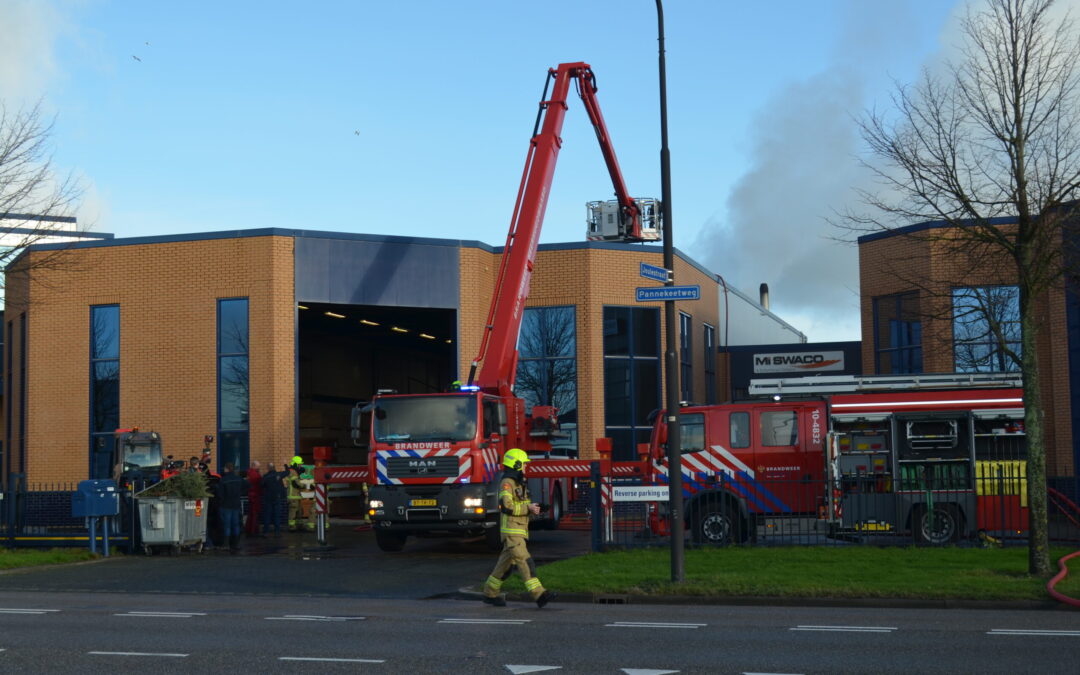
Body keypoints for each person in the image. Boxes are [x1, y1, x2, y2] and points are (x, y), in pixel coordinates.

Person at [481, 448, 553, 608]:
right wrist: (528, 508)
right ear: (517, 464)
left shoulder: (518, 483)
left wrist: (537, 508)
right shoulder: (507, 483)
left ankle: (489, 593)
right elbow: (506, 507)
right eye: (524, 464)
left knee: (504, 567)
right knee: (525, 561)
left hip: (517, 531)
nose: (526, 467)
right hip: (512, 531)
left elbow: (521, 505)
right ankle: (539, 594)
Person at [217, 462, 248, 553]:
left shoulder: (223, 480)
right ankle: (236, 544)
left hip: (226, 505)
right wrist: (240, 493)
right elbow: (248, 485)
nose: (223, 470)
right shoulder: (239, 479)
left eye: (224, 468)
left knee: (227, 525)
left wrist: (221, 502)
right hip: (236, 504)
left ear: (227, 469)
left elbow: (220, 494)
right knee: (236, 524)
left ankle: (226, 544)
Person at [260, 462, 286, 535]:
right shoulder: (279, 474)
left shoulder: (266, 476)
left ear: (268, 468)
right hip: (277, 497)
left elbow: (261, 485)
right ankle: (277, 532)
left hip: (268, 498)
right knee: (277, 515)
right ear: (274, 467)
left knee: (267, 515)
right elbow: (287, 472)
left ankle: (266, 532)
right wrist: (286, 465)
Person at [285, 456, 306, 532]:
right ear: (296, 464)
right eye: (299, 464)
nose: (300, 466)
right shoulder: (292, 472)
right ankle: (292, 526)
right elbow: (297, 484)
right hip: (292, 496)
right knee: (293, 511)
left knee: (300, 511)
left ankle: (299, 525)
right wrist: (305, 484)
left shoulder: (295, 471)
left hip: (297, 496)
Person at [244, 460, 263, 537]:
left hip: (251, 496)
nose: (259, 468)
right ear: (254, 466)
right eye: (258, 467)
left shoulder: (249, 473)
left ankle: (250, 529)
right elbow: (259, 485)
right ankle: (253, 530)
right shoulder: (255, 475)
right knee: (254, 514)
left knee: (251, 514)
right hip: (255, 496)